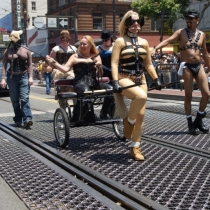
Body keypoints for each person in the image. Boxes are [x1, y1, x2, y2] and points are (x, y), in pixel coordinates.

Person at [111, 10, 162, 161]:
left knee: (141, 115)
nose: (135, 24)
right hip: (124, 78)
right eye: (132, 22)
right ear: (126, 24)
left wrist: (156, 78)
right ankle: (128, 122)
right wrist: (114, 81)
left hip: (142, 79)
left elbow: (148, 64)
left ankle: (135, 147)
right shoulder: (120, 42)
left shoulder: (144, 42)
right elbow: (114, 63)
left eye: (138, 21)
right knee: (141, 96)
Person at [151, 10, 210, 135]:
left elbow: (204, 53)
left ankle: (198, 120)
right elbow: (168, 41)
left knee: (206, 94)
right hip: (186, 66)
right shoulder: (181, 32)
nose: (188, 20)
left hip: (198, 66)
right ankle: (190, 124)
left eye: (191, 18)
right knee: (188, 95)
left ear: (197, 20)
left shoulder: (202, 35)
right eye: (187, 18)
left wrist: (209, 67)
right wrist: (156, 48)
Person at [46, 35, 112, 120]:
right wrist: (53, 62)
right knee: (86, 91)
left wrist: (99, 66)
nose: (82, 46)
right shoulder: (75, 56)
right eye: (81, 44)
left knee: (111, 90)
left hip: (94, 82)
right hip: (80, 83)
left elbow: (99, 73)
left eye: (84, 44)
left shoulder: (96, 55)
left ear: (90, 45)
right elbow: (65, 69)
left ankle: (104, 112)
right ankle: (84, 115)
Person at [0, 30, 33, 129]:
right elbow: (4, 65)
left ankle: (27, 119)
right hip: (12, 77)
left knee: (24, 98)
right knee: (15, 101)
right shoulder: (8, 51)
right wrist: (3, 79)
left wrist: (30, 76)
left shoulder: (26, 50)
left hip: (23, 76)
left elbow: (30, 65)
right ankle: (18, 119)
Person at [49, 30, 77, 107]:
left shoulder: (74, 49)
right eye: (62, 37)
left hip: (71, 71)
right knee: (61, 86)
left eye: (66, 37)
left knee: (72, 84)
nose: (64, 39)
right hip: (59, 70)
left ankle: (76, 106)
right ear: (60, 38)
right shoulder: (56, 48)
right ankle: (63, 106)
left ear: (69, 38)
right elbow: (50, 61)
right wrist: (48, 66)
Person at [97, 30, 115, 119]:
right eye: (103, 40)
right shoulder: (99, 48)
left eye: (106, 40)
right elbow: (96, 61)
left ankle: (111, 110)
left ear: (110, 39)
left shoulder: (115, 46)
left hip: (115, 72)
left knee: (116, 93)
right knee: (110, 92)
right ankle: (103, 112)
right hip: (104, 73)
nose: (104, 42)